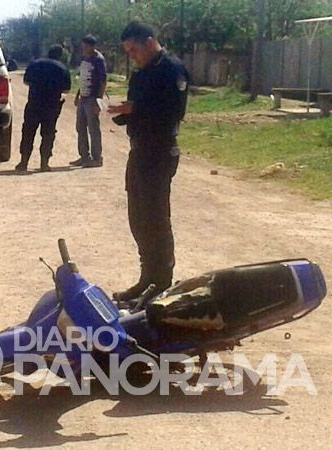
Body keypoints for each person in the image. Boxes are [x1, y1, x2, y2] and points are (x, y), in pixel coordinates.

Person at [108, 21, 189, 303]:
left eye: (134, 50)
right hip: (140, 152)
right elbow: (137, 109)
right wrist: (121, 113)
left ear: (150, 42)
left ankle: (161, 282)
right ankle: (147, 278)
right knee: (138, 218)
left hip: (160, 152)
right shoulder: (140, 74)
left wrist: (136, 108)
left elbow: (174, 111)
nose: (132, 56)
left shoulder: (171, 69)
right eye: (128, 52)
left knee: (156, 218)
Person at [16, 45, 71, 173]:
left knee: (28, 132)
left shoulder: (35, 64)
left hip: (34, 104)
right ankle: (44, 164)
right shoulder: (63, 68)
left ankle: (24, 162)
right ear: (60, 55)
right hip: (51, 106)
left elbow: (26, 81)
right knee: (48, 134)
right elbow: (67, 90)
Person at [72, 35, 107, 168]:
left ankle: (97, 158)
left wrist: (99, 101)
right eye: (83, 45)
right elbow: (83, 78)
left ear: (92, 46)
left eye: (86, 46)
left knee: (93, 128)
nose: (84, 48)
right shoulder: (85, 58)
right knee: (80, 127)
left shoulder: (98, 60)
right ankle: (84, 156)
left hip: (92, 98)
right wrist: (78, 95)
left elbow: (103, 81)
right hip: (83, 97)